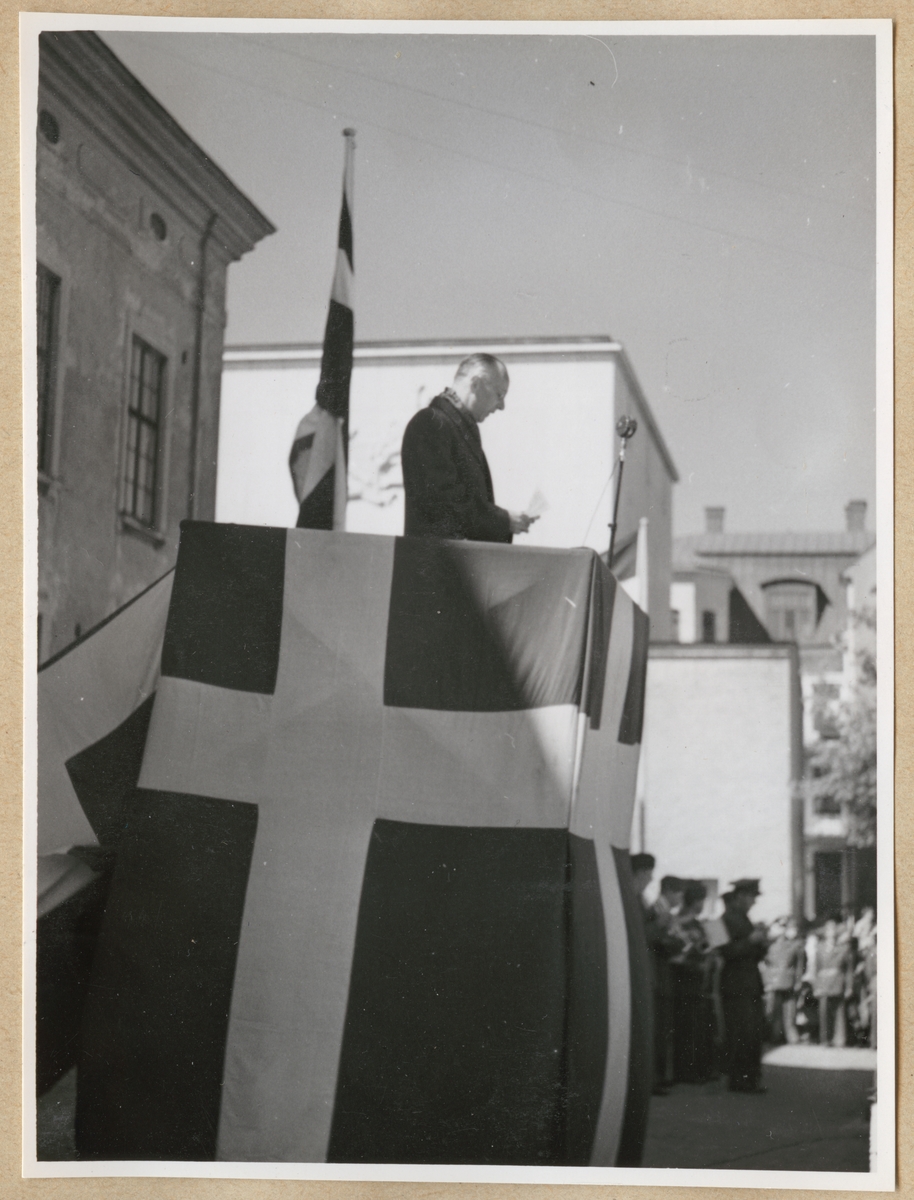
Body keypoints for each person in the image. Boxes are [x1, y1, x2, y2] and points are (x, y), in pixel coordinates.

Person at [400, 354, 537, 542]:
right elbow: (444, 504)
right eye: (499, 394)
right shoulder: (431, 423)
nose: (502, 406)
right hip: (439, 566)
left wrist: (504, 521)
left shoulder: (455, 428)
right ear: (476, 383)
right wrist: (505, 521)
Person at [719, 879, 768, 1093]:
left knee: (752, 1033)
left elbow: (753, 953)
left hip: (749, 983)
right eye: (751, 898)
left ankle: (749, 1078)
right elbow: (725, 951)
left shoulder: (744, 919)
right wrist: (751, 940)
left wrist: (761, 943)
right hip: (736, 984)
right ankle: (740, 1080)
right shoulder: (725, 920)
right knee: (741, 1033)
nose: (753, 902)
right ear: (740, 896)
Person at [671, 880, 715, 1083]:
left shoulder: (696, 922)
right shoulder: (682, 921)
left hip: (697, 980)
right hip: (686, 979)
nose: (703, 904)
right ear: (695, 901)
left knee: (698, 1026)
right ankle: (687, 1071)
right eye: (701, 900)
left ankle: (698, 1068)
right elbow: (684, 951)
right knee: (688, 1027)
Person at [647, 875, 686, 1094]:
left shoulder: (665, 912)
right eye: (679, 893)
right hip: (658, 976)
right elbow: (658, 940)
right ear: (670, 891)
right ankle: (655, 1079)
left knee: (664, 1031)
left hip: (664, 978)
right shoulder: (657, 910)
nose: (681, 898)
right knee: (658, 1031)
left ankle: (661, 1077)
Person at [764, 917, 804, 1045]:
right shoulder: (770, 945)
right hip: (773, 981)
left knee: (790, 1010)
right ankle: (776, 1035)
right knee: (773, 1010)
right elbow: (766, 963)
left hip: (788, 981)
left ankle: (790, 1034)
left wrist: (798, 981)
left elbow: (800, 966)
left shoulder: (796, 945)